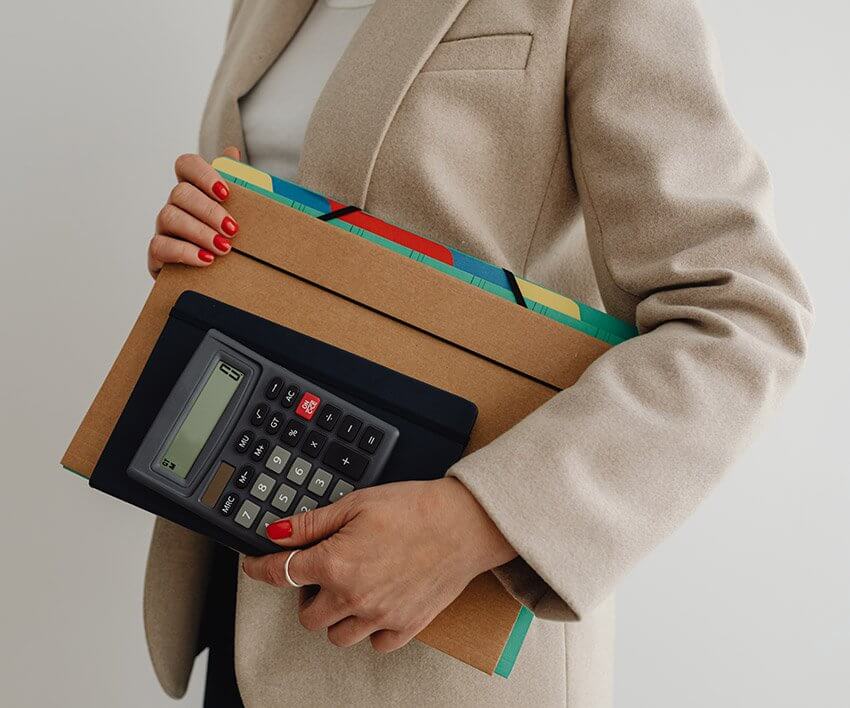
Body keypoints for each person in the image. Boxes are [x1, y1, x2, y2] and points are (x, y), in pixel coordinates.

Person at [144, 1, 812, 706]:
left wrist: (475, 521)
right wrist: (204, 243)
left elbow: (741, 313)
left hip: (437, 644)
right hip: (242, 573)